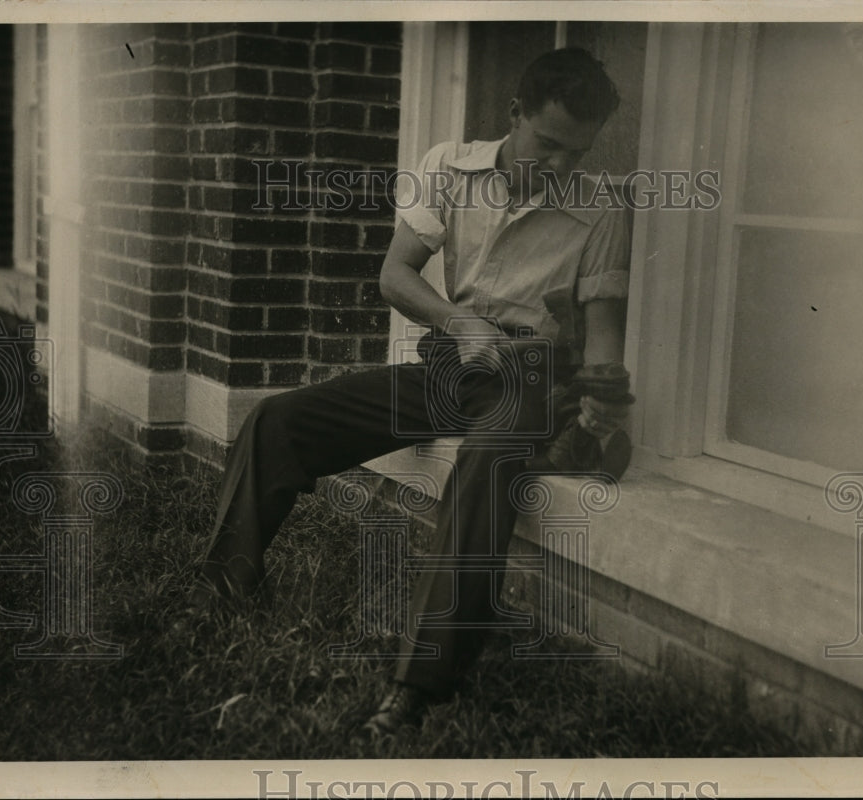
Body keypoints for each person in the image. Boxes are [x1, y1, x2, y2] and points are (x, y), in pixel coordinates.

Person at [191, 47, 632, 737]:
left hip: (531, 379)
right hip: (449, 364)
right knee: (280, 419)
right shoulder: (448, 168)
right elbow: (395, 276)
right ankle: (225, 590)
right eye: (546, 143)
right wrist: (460, 323)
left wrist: (604, 410)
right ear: (514, 114)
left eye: (574, 153)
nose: (557, 167)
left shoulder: (601, 209)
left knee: (486, 463)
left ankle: (421, 685)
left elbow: (603, 335)